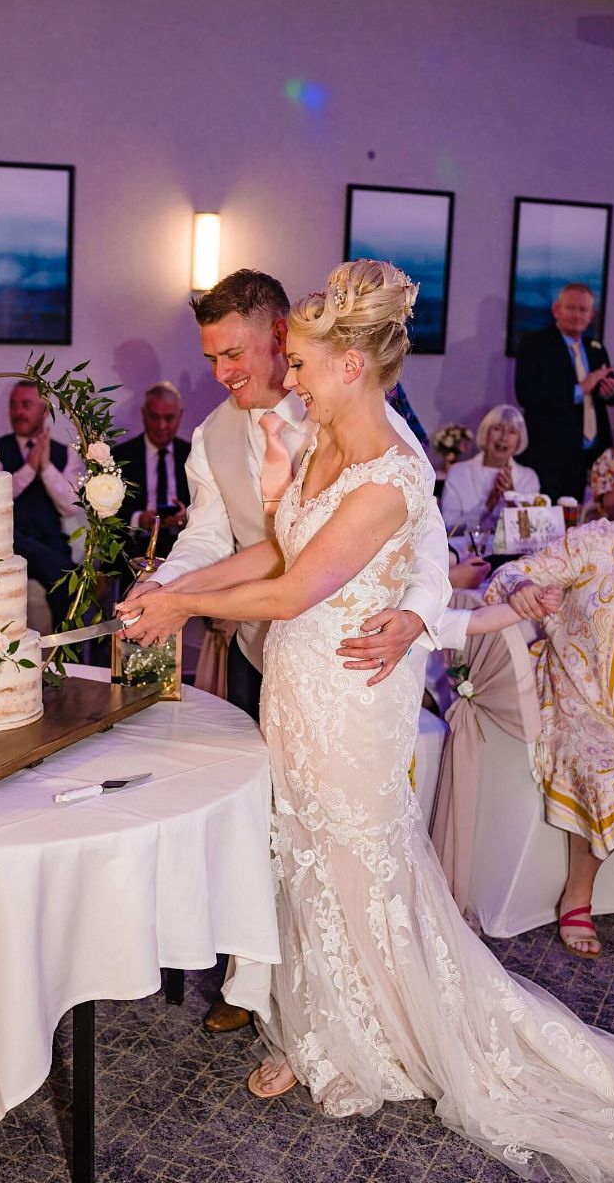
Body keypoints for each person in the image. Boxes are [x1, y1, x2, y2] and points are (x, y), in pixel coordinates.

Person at [119, 260, 614, 1180]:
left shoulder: (394, 469)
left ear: (349, 363)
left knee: (357, 858)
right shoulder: (321, 439)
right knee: (302, 857)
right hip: (298, 684)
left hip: (353, 693)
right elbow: (279, 541)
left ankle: (376, 1039)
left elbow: (303, 584)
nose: (290, 377)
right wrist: (180, 584)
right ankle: (320, 1027)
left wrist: (184, 613)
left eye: (301, 363)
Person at [129, 268, 450, 1033]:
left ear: (282, 338)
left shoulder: (358, 418)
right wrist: (164, 589)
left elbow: (426, 529)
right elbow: (216, 537)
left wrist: (416, 613)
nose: (222, 373)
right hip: (259, 648)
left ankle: (344, 1002)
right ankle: (258, 986)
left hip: (345, 658)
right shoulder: (211, 436)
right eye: (210, 358)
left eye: (234, 353)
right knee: (271, 825)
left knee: (336, 836)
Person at [487, 517, 614, 960]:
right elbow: (507, 573)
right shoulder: (598, 541)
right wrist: (521, 588)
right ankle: (577, 893)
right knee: (606, 770)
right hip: (574, 694)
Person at [515, 282, 614, 501]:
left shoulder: (596, 347)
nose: (577, 315)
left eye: (583, 310)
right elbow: (527, 395)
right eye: (571, 308)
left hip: (593, 457)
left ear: (592, 315)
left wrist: (611, 393)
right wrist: (580, 389)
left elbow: (608, 396)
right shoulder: (534, 344)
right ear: (556, 310)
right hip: (549, 456)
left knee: (588, 526)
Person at [0, 381, 82, 631]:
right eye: (13, 405)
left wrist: (46, 468)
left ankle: (61, 657)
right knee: (65, 574)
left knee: (60, 583)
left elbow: (70, 506)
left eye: (26, 405)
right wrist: (29, 469)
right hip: (10, 542)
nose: (17, 412)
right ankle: (67, 574)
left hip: (50, 540)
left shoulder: (67, 454)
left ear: (44, 411)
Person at [114, 381, 190, 566]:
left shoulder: (193, 454)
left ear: (180, 416)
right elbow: (105, 512)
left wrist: (186, 516)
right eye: (154, 417)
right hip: (134, 544)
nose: (161, 426)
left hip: (182, 544)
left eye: (169, 418)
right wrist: (138, 519)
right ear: (143, 414)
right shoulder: (120, 456)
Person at [440, 405, 540, 531]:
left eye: (512, 432)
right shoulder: (458, 473)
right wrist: (487, 506)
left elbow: (534, 529)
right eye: (497, 429)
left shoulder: (528, 477)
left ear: (519, 442)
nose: (503, 437)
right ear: (485, 434)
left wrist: (512, 499)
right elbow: (447, 525)